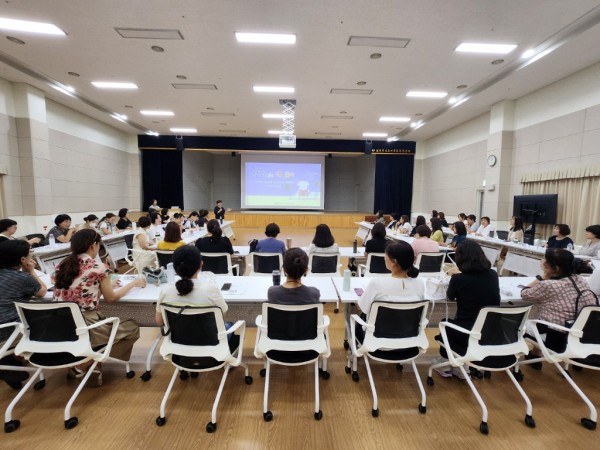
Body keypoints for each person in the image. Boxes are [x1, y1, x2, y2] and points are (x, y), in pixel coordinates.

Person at [53, 230, 145, 385]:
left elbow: (78, 288)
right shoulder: (99, 266)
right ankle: (90, 361)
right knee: (132, 326)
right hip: (86, 324)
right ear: (93, 246)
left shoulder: (62, 265)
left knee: (104, 330)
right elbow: (111, 298)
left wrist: (102, 286)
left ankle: (88, 363)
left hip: (60, 324)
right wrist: (133, 284)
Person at [433, 240, 500, 379]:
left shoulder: (459, 279)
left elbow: (450, 297)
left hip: (467, 334)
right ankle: (460, 368)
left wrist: (455, 276)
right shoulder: (493, 275)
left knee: (445, 323)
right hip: (489, 333)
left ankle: (452, 363)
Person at [521, 249, 597, 357]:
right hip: (579, 334)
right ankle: (535, 356)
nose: (542, 261)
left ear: (555, 267)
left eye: (544, 259)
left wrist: (542, 277)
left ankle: (534, 356)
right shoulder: (580, 279)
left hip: (555, 338)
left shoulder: (548, 285)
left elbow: (524, 294)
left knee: (521, 324)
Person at [0, 240, 47, 388]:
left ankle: (9, 362)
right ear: (22, 260)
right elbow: (42, 291)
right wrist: (31, 271)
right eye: (30, 254)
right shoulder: (22, 278)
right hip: (9, 330)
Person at [155, 246, 227, 326]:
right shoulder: (211, 289)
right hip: (208, 337)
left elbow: (159, 321)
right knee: (228, 325)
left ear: (175, 268)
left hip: (176, 338)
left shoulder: (166, 290)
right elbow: (222, 315)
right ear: (201, 264)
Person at [358, 242, 424, 317]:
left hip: (379, 328)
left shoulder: (377, 283)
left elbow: (362, 308)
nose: (384, 258)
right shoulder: (419, 283)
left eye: (385, 256)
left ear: (394, 262)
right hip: (409, 328)